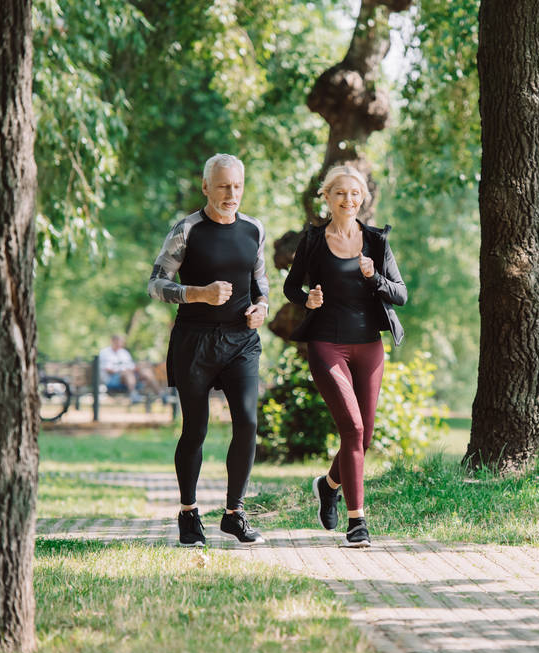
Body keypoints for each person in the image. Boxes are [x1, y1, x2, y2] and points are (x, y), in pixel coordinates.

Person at [148, 153, 269, 547]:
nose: (231, 194)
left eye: (237, 186)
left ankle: (234, 513)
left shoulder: (254, 229)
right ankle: (188, 512)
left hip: (241, 341)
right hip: (195, 341)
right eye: (223, 186)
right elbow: (155, 284)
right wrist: (197, 294)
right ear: (206, 187)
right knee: (195, 429)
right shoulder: (187, 230)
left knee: (247, 422)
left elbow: (261, 283)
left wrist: (262, 308)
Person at [284, 164, 407, 548]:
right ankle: (357, 522)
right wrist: (307, 299)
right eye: (340, 193)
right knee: (352, 429)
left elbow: (401, 294)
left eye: (355, 193)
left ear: (363, 198)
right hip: (327, 344)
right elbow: (291, 286)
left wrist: (374, 277)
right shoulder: (313, 240)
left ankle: (328, 485)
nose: (348, 199)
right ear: (327, 196)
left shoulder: (376, 242)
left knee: (364, 435)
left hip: (369, 346)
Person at [97, 334, 161, 403]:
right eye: (118, 341)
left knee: (146, 372)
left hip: (130, 378)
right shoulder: (105, 352)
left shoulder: (124, 352)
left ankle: (160, 394)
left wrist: (137, 368)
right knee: (127, 373)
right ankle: (133, 395)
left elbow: (131, 366)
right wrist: (124, 370)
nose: (119, 344)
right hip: (112, 380)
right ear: (112, 341)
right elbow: (108, 369)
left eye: (121, 342)